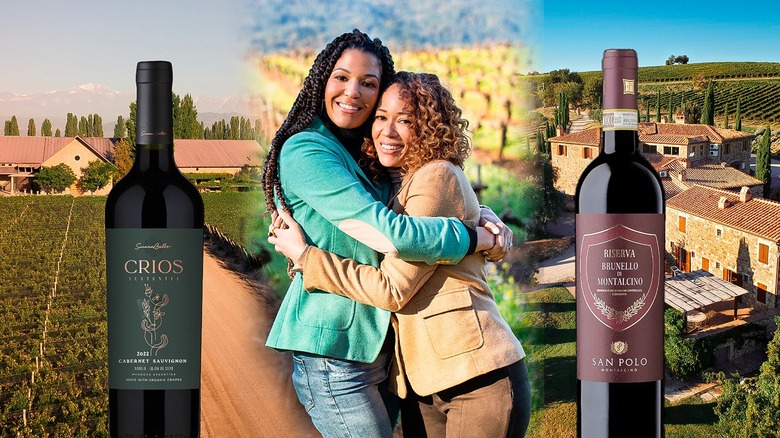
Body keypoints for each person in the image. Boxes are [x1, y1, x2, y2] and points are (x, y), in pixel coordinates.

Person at [261, 30, 512, 438]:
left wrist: (480, 210)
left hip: (382, 353)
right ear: (321, 80)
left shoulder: (366, 151)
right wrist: (472, 237)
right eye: (341, 77)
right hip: (333, 353)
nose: (353, 92)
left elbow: (421, 194)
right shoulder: (306, 151)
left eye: (368, 83)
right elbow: (389, 232)